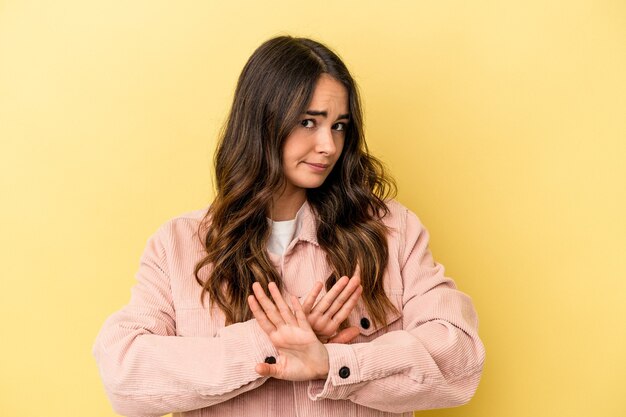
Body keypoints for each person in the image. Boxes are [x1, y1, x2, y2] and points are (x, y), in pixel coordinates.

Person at [92, 35, 486, 417]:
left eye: (339, 125)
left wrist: (332, 362)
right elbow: (123, 375)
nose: (329, 146)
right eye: (308, 122)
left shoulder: (389, 230)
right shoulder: (179, 245)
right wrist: (271, 343)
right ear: (262, 122)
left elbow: (461, 357)